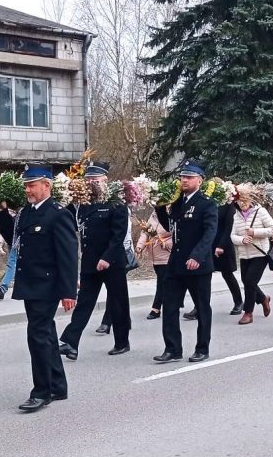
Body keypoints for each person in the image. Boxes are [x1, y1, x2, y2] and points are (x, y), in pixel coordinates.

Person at [12, 165, 78, 412]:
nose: (28, 189)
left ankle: (42, 391)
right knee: (46, 333)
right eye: (26, 185)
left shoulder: (58, 214)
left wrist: (69, 292)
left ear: (47, 185)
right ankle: (58, 386)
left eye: (32, 185)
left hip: (48, 285)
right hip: (30, 282)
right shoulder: (27, 213)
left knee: (37, 335)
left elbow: (69, 256)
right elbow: (15, 239)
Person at [58, 163, 133, 360]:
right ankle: (71, 343)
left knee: (118, 303)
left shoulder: (116, 202)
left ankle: (122, 341)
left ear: (105, 180)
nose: (91, 183)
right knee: (84, 303)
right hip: (91, 262)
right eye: (89, 179)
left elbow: (119, 235)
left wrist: (107, 258)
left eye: (95, 179)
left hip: (112, 262)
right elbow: (73, 226)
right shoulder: (82, 205)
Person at [155, 161, 218, 363]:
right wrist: (158, 206)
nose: (184, 180)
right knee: (170, 306)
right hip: (176, 264)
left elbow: (209, 232)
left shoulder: (206, 203)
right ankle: (172, 348)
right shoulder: (176, 201)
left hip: (197, 265)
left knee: (202, 307)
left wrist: (197, 256)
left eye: (189, 177)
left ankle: (202, 348)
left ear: (199, 180)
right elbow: (170, 226)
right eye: (183, 177)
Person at [229, 183, 273, 324]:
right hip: (245, 254)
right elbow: (232, 236)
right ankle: (263, 299)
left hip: (260, 253)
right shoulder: (236, 216)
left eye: (245, 201)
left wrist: (255, 232)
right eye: (239, 201)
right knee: (247, 281)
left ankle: (248, 313)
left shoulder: (260, 212)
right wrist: (242, 239)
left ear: (251, 200)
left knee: (250, 282)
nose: (243, 204)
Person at [210, 188, 244, 316]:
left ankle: (238, 302)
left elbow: (229, 226)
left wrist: (221, 245)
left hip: (223, 244)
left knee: (227, 274)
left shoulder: (228, 205)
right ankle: (200, 306)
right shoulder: (209, 202)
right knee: (204, 276)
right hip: (209, 244)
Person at [135, 207, 173, 321]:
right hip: (155, 255)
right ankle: (176, 300)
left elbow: (176, 233)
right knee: (164, 281)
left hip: (167, 255)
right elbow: (146, 231)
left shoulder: (171, 213)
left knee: (161, 282)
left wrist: (168, 243)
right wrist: (139, 246)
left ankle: (156, 309)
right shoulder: (153, 215)